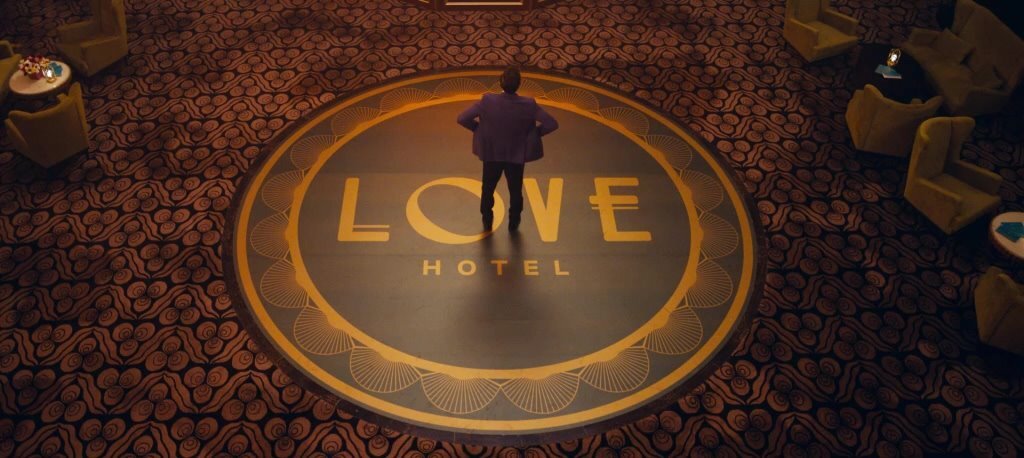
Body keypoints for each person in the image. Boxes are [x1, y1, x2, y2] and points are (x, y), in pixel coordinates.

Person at [457, 66, 559, 232]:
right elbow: (551, 124)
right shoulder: (529, 104)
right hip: (516, 156)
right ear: (519, 84)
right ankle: (514, 222)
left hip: (492, 154)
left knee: (488, 188)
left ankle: (487, 218)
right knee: (515, 190)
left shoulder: (487, 101)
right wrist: (532, 135)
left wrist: (479, 130)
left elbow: (462, 118)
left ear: (500, 82)